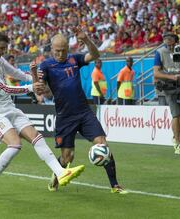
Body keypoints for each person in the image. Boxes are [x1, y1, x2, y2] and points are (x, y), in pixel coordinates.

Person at [0, 32, 85, 198]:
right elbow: (4, 88)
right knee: (15, 144)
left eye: (5, 48)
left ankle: (60, 173)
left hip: (8, 107)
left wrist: (38, 80)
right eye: (1, 48)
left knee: (36, 136)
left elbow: (17, 73)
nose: (3, 52)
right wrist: (31, 88)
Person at [38, 29, 127, 194]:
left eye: (64, 50)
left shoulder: (74, 59)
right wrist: (40, 88)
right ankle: (56, 175)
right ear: (51, 49)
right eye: (57, 50)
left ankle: (114, 185)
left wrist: (86, 40)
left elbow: (94, 55)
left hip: (84, 112)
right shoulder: (46, 65)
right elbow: (40, 87)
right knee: (67, 157)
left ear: (68, 48)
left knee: (102, 144)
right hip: (65, 116)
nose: (60, 53)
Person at [153, 32, 180, 155]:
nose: (166, 40)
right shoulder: (160, 52)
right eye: (165, 38)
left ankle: (175, 136)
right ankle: (178, 143)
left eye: (169, 38)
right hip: (169, 87)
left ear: (175, 40)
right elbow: (156, 73)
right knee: (176, 115)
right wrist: (172, 77)